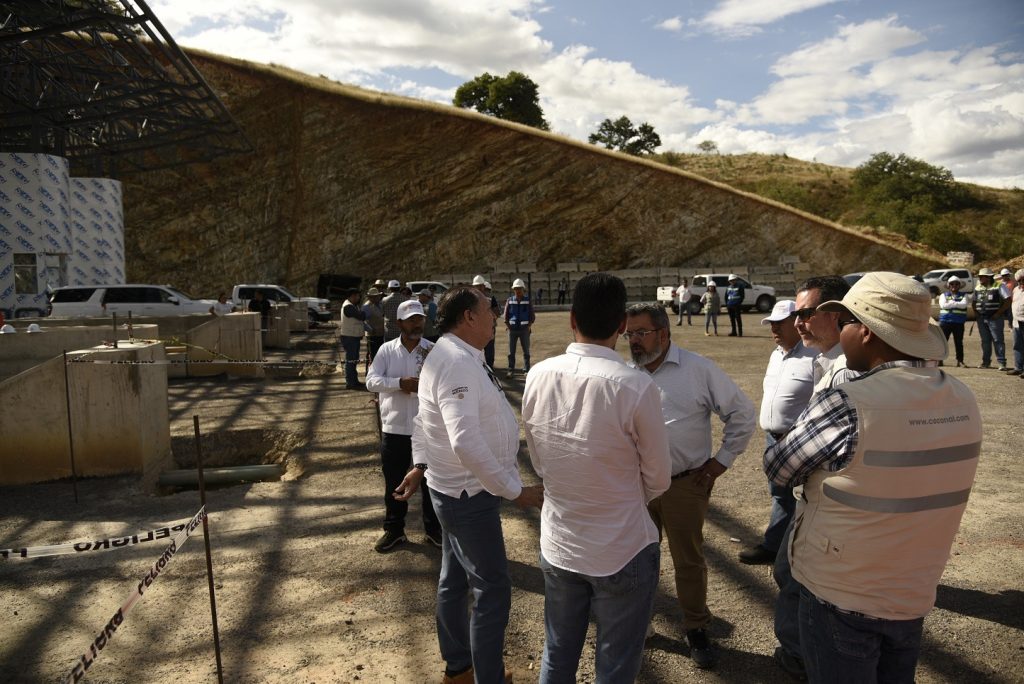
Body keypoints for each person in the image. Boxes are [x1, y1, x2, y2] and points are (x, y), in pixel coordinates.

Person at [764, 272, 982, 683]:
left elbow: (779, 467)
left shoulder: (849, 400)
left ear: (865, 332)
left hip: (842, 593)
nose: (840, 332)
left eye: (844, 322)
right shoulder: (962, 397)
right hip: (913, 591)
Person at [522, 275, 672, 682]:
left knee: (558, 650)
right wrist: (618, 495)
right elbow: (658, 477)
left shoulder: (539, 374)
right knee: (617, 662)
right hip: (622, 544)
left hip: (560, 541)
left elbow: (537, 458)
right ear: (622, 325)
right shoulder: (636, 386)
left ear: (572, 319)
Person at [394, 285, 544, 684]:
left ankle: (459, 668)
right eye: (488, 310)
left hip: (451, 489)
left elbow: (425, 420)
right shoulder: (456, 361)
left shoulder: (447, 354)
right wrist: (515, 491)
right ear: (468, 318)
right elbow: (464, 440)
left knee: (453, 580)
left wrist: (420, 464)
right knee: (492, 589)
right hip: (467, 494)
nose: (496, 316)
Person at [625, 302, 756, 669]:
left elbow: (742, 413)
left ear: (663, 334)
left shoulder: (697, 370)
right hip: (636, 488)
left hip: (685, 484)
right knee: (636, 559)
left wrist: (720, 462)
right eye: (628, 333)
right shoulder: (623, 374)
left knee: (688, 561)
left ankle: (696, 626)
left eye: (641, 333)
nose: (633, 340)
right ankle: (638, 625)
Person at [771, 274, 858, 679]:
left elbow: (785, 465)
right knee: (788, 569)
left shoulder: (846, 371)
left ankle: (801, 654)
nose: (798, 320)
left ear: (836, 313)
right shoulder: (826, 361)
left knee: (795, 574)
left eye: (807, 312)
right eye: (797, 312)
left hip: (833, 501)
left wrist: (788, 453)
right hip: (820, 495)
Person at [739, 300, 817, 566]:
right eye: (771, 323)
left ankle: (798, 552)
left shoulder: (815, 355)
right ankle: (777, 547)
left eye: (779, 323)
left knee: (811, 497)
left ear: (797, 323)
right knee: (780, 496)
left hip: (801, 441)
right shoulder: (776, 354)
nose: (774, 329)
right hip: (773, 439)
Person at [367, 299, 442, 552]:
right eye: (411, 319)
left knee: (431, 482)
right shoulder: (387, 350)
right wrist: (400, 383)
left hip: (427, 428)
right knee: (395, 482)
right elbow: (371, 381)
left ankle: (434, 530)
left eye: (419, 318)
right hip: (396, 427)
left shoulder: (432, 350)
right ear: (399, 323)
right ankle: (394, 530)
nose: (417, 323)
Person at [972, 267, 1007, 370]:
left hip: (995, 318)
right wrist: (976, 313)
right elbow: (974, 302)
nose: (980, 278)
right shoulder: (978, 287)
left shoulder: (999, 286)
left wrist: (998, 313)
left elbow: (1008, 300)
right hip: (981, 319)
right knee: (985, 341)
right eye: (979, 277)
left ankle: (1002, 363)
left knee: (998, 340)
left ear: (989, 277)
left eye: (982, 277)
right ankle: (986, 362)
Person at [504, 278, 535, 375]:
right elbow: (506, 315)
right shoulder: (510, 300)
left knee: (526, 351)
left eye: (519, 289)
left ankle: (526, 369)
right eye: (516, 289)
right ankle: (511, 369)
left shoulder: (527, 301)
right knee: (511, 352)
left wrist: (529, 325)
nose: (517, 291)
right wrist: (508, 325)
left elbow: (532, 315)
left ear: (523, 289)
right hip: (512, 330)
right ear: (513, 290)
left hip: (524, 329)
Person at [938, 275, 969, 367]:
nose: (954, 285)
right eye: (952, 283)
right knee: (942, 342)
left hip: (958, 322)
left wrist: (951, 303)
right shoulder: (943, 295)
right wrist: (956, 303)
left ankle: (960, 361)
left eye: (956, 284)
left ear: (959, 285)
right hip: (945, 321)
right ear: (948, 285)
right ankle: (939, 360)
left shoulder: (965, 295)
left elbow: (964, 305)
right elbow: (943, 306)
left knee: (959, 342)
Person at [339, 288, 367, 390]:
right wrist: (363, 313)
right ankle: (350, 382)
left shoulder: (353, 306)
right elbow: (361, 316)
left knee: (353, 360)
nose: (358, 298)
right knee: (350, 361)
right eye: (357, 296)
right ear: (352, 296)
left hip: (352, 337)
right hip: (349, 337)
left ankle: (353, 381)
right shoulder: (348, 307)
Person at [472, 275, 500, 368]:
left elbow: (497, 313)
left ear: (483, 286)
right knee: (476, 350)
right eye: (476, 286)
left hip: (488, 328)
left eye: (480, 286)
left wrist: (488, 315)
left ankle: (489, 369)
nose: (478, 288)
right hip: (475, 328)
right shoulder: (471, 299)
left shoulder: (490, 298)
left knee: (489, 351)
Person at [362, 287, 386, 362]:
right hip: (372, 336)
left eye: (377, 296)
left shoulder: (381, 304)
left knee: (381, 355)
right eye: (374, 296)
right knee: (373, 355)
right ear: (370, 297)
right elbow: (362, 321)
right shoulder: (366, 307)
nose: (377, 298)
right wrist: (370, 330)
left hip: (381, 334)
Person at [1009, 269, 1024, 377]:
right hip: (1016, 322)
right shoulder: (1016, 290)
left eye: (1023, 280)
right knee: (1017, 346)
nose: (1021, 282)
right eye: (1019, 280)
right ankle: (1018, 368)